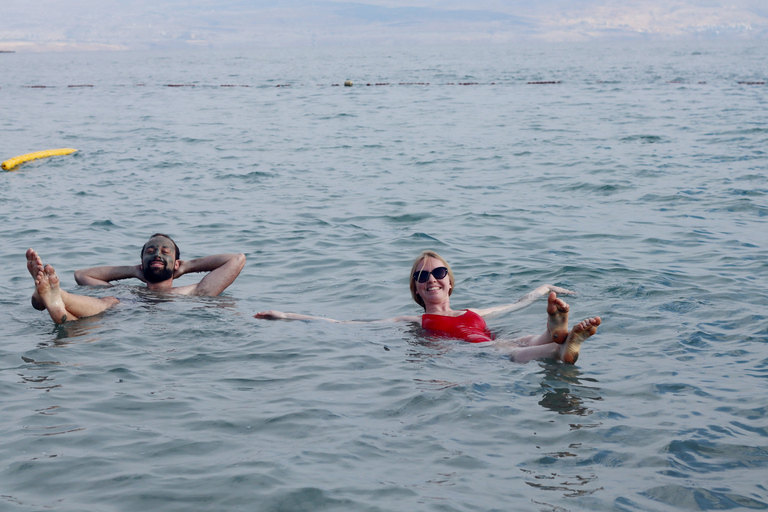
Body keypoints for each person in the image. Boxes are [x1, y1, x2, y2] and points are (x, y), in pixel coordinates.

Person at [255, 250, 600, 364]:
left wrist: (544, 289)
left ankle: (555, 332)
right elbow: (345, 324)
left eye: (438, 273)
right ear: (417, 290)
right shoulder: (414, 321)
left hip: (489, 342)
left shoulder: (475, 313)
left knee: (524, 338)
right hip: (480, 356)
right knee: (507, 350)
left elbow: (515, 303)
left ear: (450, 281)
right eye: (422, 276)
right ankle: (560, 347)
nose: (431, 279)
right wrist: (285, 315)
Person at [27, 233, 246, 324]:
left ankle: (53, 299)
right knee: (109, 301)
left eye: (165, 252)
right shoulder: (130, 291)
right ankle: (56, 301)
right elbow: (82, 275)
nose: (157, 254)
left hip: (123, 317)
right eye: (150, 252)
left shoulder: (193, 291)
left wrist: (185, 267)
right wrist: (134, 271)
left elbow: (236, 259)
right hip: (120, 309)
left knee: (106, 304)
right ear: (142, 263)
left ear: (177, 263)